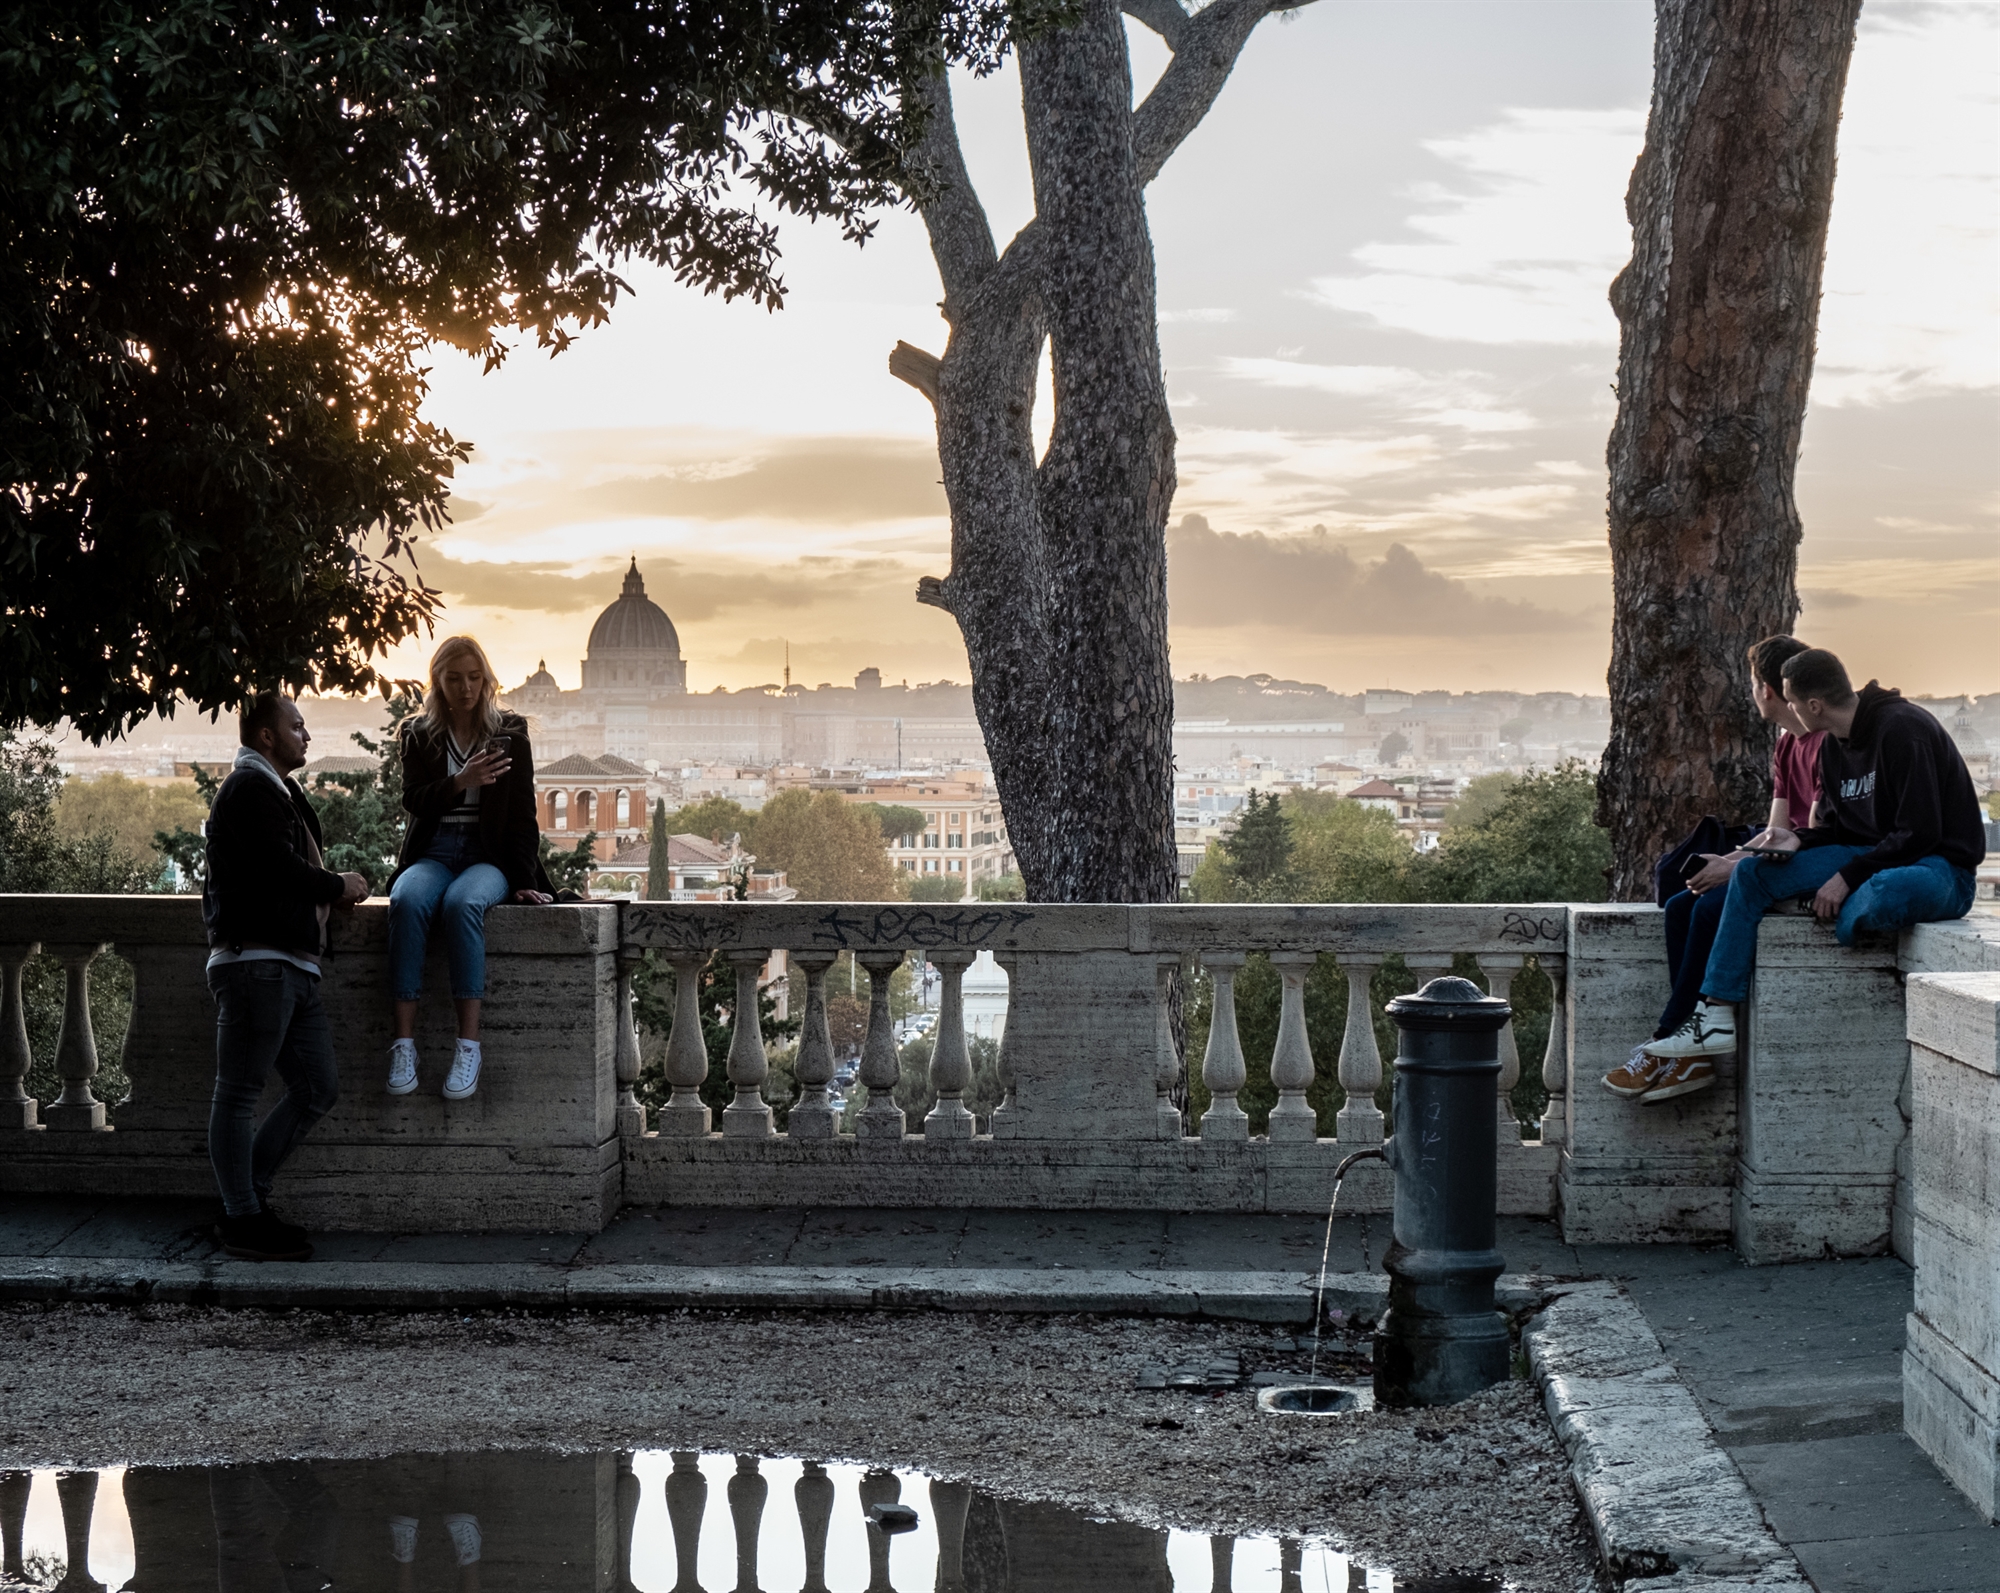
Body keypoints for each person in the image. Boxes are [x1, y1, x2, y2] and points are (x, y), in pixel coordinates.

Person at [1625, 648, 1985, 1102]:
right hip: (1869, 854)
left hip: (1937, 865)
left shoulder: (1902, 729)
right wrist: (1798, 841)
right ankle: (1715, 1014)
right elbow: (1837, 831)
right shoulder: (1834, 748)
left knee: (1884, 891)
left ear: (1814, 705)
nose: (1789, 713)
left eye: (1793, 703)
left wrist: (1845, 877)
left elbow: (1919, 831)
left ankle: (1817, 904)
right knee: (1754, 875)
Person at [1603, 634, 1823, 1102]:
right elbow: (1775, 830)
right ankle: (1693, 1054)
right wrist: (1729, 860)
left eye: (1752, 685)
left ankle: (1669, 1044)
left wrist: (1738, 869)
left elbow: (1813, 837)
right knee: (1684, 904)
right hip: (1776, 861)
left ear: (1766, 689)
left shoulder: (1824, 745)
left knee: (1708, 912)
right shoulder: (1786, 746)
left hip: (1807, 866)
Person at [203, 693, 369, 1261]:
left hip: (290, 965)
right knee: (238, 1094)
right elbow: (278, 867)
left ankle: (244, 1205)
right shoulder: (250, 787)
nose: (307, 735)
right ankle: (242, 1216)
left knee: (317, 1088)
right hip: (258, 963)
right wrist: (336, 886)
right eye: (297, 726)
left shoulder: (272, 789)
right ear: (267, 736)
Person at [386, 635, 552, 1101]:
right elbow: (413, 799)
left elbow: (522, 815)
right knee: (406, 899)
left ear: (486, 680)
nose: (465, 688)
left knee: (463, 906)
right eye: (454, 679)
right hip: (434, 851)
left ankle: (468, 1047)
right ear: (437, 682)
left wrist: (522, 880)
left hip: (488, 855)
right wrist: (462, 781)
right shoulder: (418, 733)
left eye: (474, 678)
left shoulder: (510, 732)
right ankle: (403, 1045)